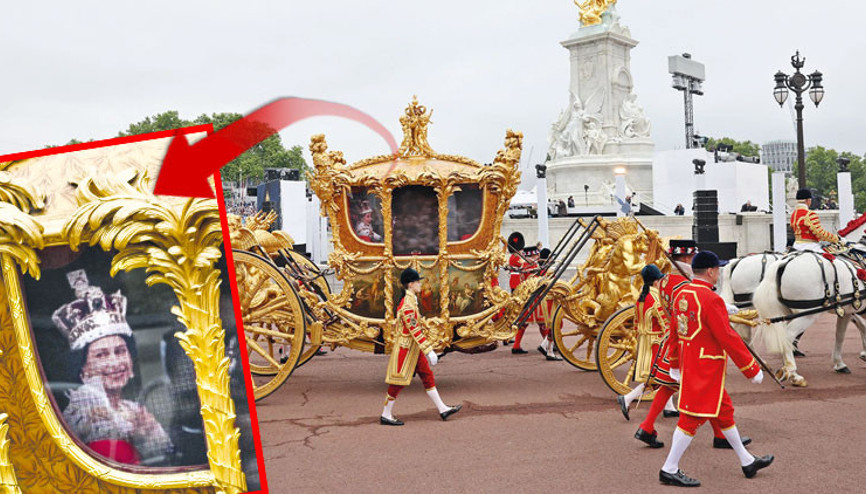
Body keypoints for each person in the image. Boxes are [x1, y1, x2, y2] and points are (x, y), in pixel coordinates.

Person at [621, 241, 751, 451]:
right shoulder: (681, 282)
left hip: (677, 340)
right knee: (706, 389)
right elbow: (696, 307)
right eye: (692, 257)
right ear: (687, 258)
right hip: (689, 344)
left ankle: (650, 427)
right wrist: (723, 308)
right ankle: (715, 437)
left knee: (671, 387)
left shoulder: (666, 280)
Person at [659, 251, 773, 487]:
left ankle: (747, 461)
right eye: (718, 270)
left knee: (724, 411)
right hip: (706, 368)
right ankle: (669, 468)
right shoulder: (711, 299)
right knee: (691, 419)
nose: (719, 274)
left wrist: (675, 364)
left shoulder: (682, 293)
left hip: (693, 364)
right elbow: (727, 337)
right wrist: (751, 368)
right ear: (710, 271)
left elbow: (675, 332)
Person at [53, 270, 172, 465]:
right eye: (101, 355)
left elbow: (167, 458)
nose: (115, 363)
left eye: (120, 351)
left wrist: (147, 438)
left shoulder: (133, 409)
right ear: (83, 370)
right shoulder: (83, 415)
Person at [381, 268, 462, 425]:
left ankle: (442, 409)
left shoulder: (411, 301)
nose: (420, 284)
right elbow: (414, 330)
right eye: (418, 282)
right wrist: (429, 350)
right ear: (411, 284)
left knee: (427, 375)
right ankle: (386, 414)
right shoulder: (408, 304)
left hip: (412, 348)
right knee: (397, 382)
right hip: (406, 348)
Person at [511, 245, 540, 354]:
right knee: (543, 322)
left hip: (525, 295)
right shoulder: (533, 265)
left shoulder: (524, 264)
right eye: (537, 254)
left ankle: (516, 345)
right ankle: (548, 345)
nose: (538, 256)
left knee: (523, 322)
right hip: (533, 296)